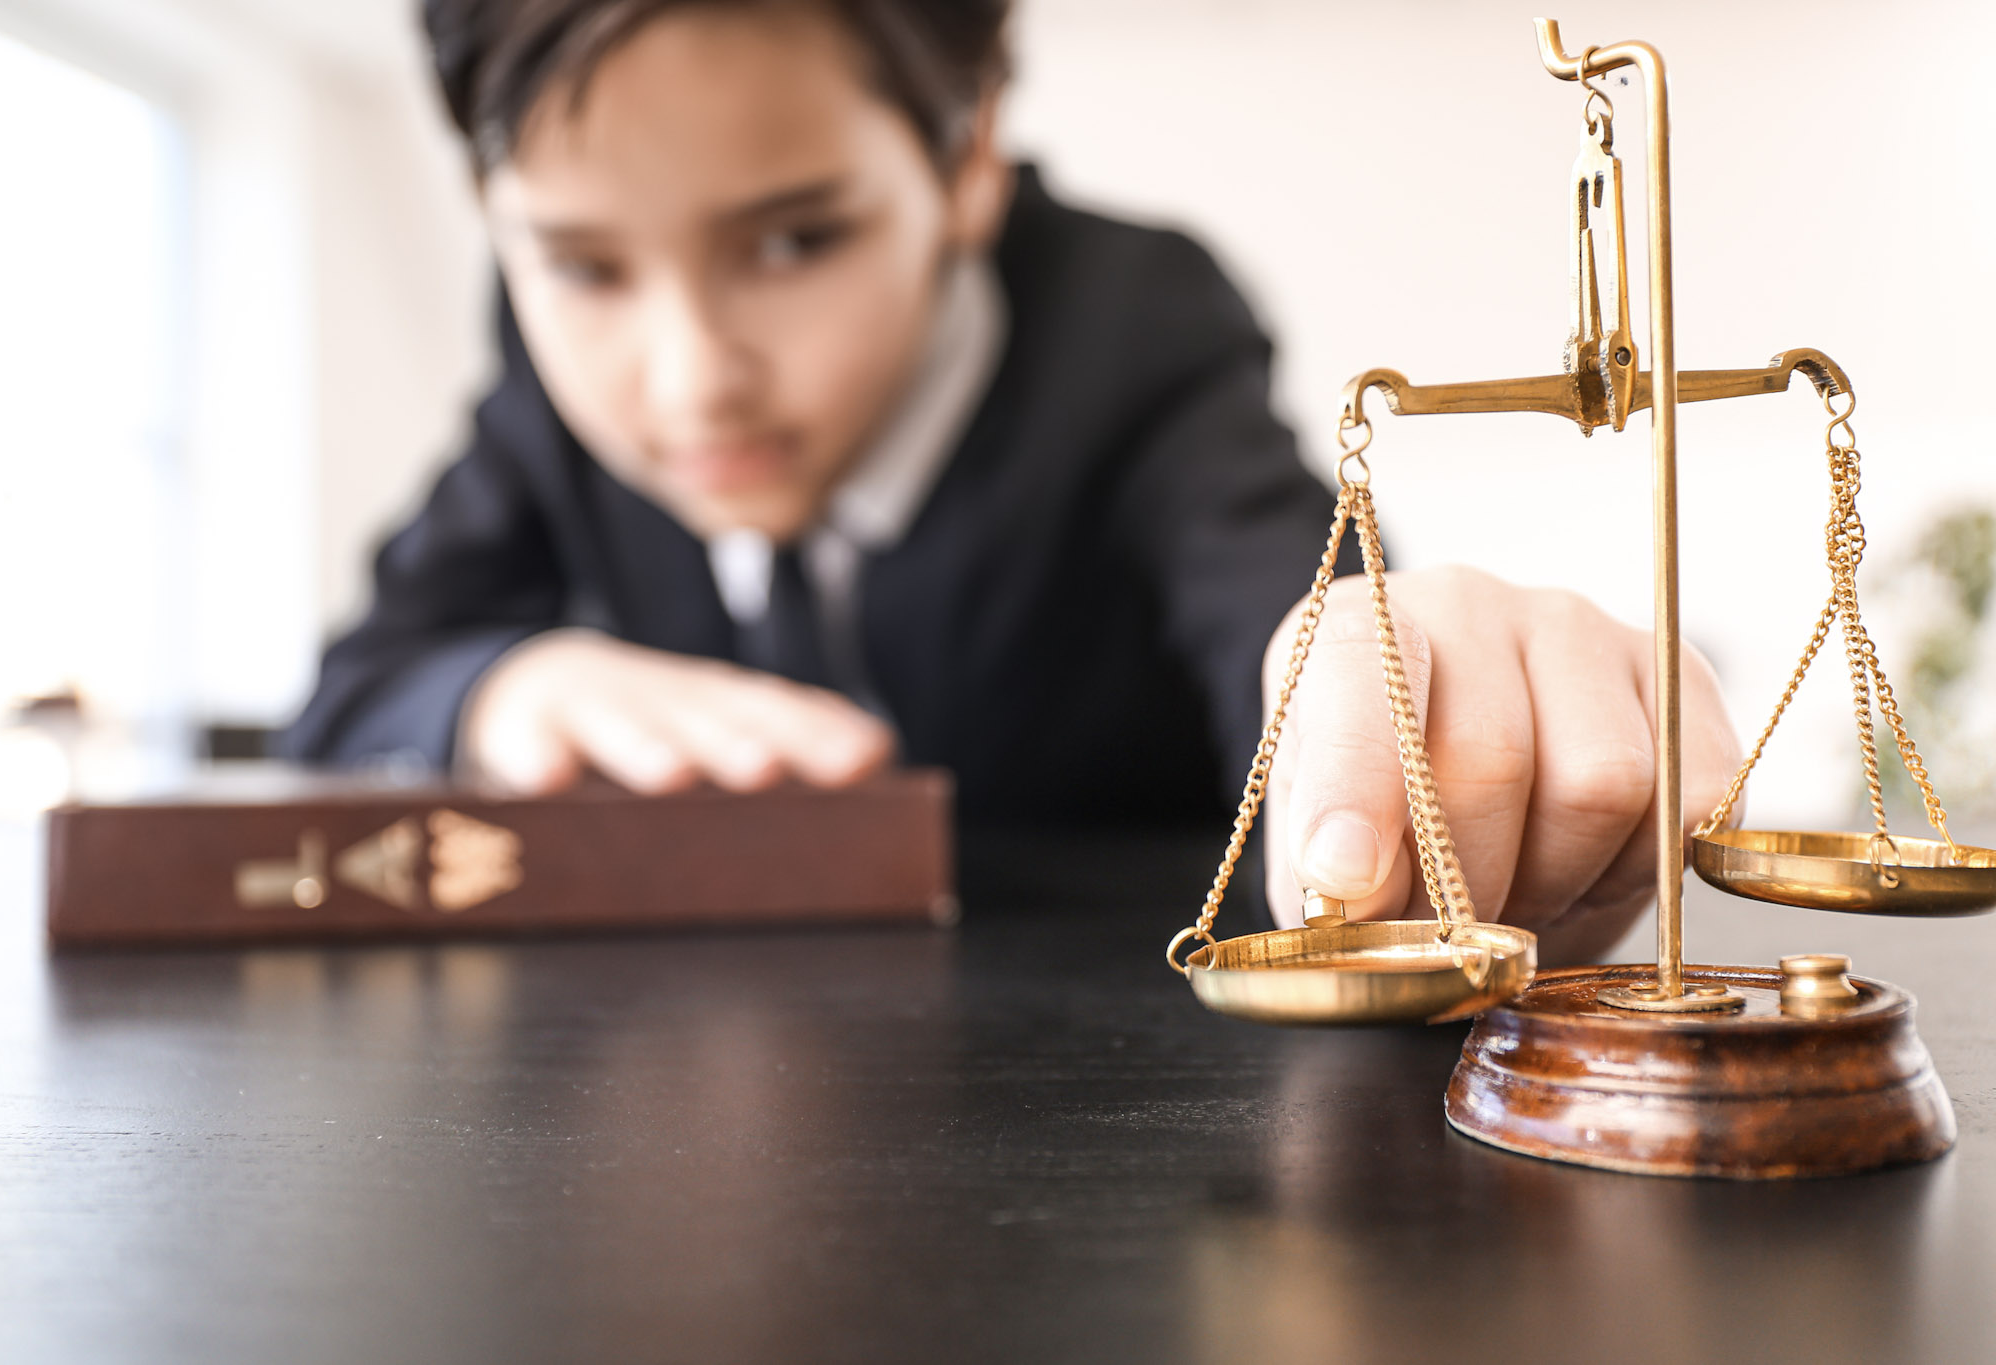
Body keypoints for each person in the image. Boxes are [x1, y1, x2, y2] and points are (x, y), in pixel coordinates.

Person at [283, 0, 1741, 964]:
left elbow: (1291, 633)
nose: (688, 380)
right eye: (582, 264)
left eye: (795, 241)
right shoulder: (545, 389)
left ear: (972, 150)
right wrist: (503, 688)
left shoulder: (1136, 332)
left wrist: (1395, 704)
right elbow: (356, 688)